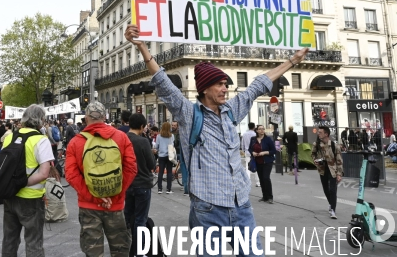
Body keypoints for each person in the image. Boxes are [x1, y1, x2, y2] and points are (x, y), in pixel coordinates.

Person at [125, 24, 308, 254]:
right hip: (208, 209)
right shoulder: (190, 115)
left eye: (226, 84)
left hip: (241, 205)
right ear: (204, 89)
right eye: (220, 84)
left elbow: (258, 84)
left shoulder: (232, 110)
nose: (225, 89)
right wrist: (142, 47)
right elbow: (163, 82)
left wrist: (293, 61)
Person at [66, 101, 137, 257]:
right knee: (120, 251)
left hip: (89, 207)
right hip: (116, 205)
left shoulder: (76, 142)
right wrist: (116, 193)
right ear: (105, 117)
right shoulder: (121, 137)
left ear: (86, 118)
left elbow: (71, 175)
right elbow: (131, 168)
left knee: (93, 253)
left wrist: (95, 197)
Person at [1, 105, 54, 257]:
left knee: (9, 240)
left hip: (10, 196)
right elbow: (44, 173)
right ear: (41, 120)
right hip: (31, 198)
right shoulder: (41, 140)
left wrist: (14, 184)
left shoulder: (10, 137)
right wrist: (22, 183)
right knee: (33, 242)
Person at [124, 113, 156, 255]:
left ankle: (125, 244)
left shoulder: (122, 139)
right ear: (142, 126)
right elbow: (151, 164)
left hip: (127, 184)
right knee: (140, 219)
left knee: (127, 215)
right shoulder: (143, 142)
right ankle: (138, 250)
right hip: (142, 183)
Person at [311, 125, 343, 219]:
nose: (318, 134)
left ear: (326, 134)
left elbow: (339, 161)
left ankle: (333, 209)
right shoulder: (316, 144)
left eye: (320, 132)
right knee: (326, 189)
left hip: (333, 170)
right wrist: (316, 161)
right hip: (322, 169)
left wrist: (339, 174)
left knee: (333, 190)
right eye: (318, 132)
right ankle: (331, 203)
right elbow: (312, 154)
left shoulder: (334, 146)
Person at [249, 125, 276, 203]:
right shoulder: (253, 139)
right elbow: (250, 149)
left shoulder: (268, 139)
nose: (262, 130)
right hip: (257, 161)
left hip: (267, 161)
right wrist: (252, 152)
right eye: (260, 129)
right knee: (261, 179)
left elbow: (273, 151)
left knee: (266, 178)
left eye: (263, 129)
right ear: (256, 130)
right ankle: (264, 197)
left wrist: (264, 152)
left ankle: (270, 197)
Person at [154, 122, 174, 194]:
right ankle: (169, 189)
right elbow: (172, 145)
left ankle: (160, 189)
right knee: (169, 172)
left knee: (161, 172)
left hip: (161, 156)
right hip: (169, 156)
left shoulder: (159, 136)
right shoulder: (172, 136)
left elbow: (156, 146)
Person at [241, 122, 258, 187]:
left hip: (247, 152)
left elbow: (242, 143)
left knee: (247, 167)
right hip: (255, 152)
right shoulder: (255, 134)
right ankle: (258, 182)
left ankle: (248, 181)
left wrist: (243, 150)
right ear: (254, 127)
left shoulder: (245, 134)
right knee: (257, 166)